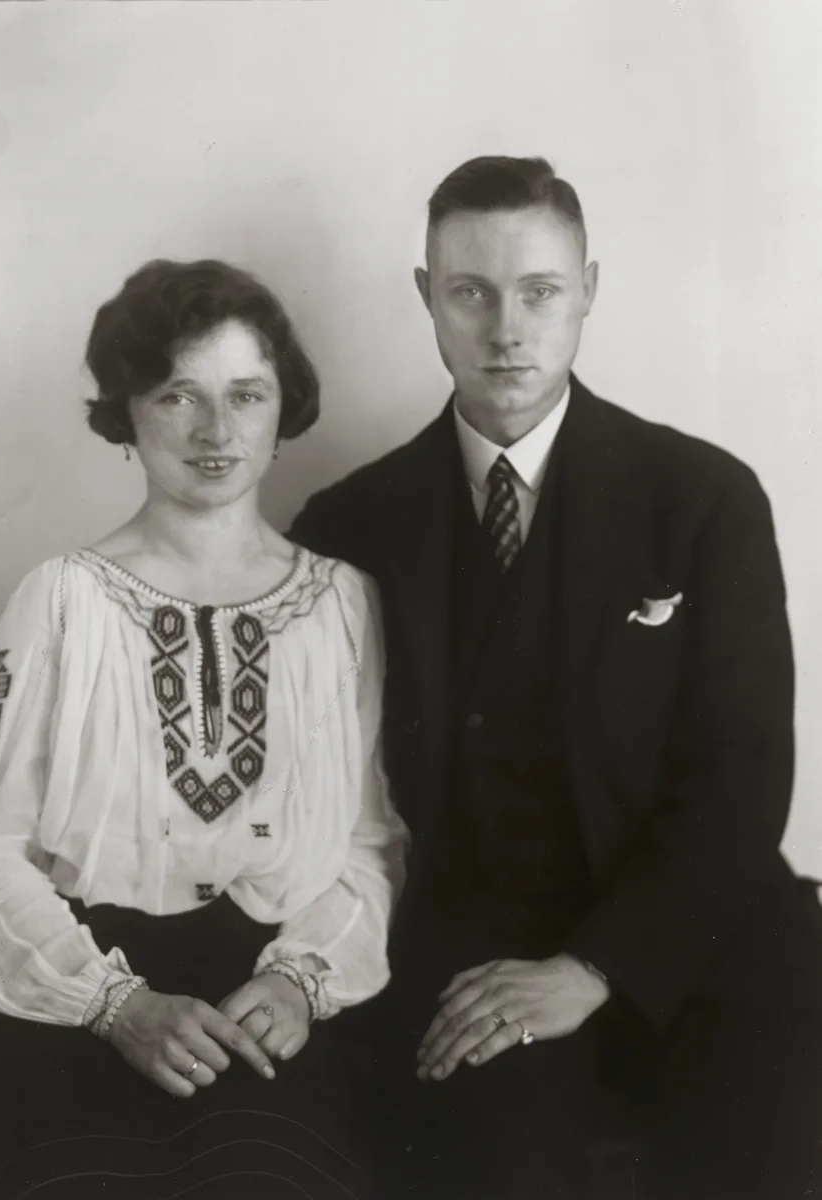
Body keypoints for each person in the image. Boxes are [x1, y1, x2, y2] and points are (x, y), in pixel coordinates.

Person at [290, 156, 822, 1199]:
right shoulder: (346, 527)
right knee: (497, 1152)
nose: (506, 329)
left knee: (783, 1103)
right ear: (425, 299)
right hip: (470, 947)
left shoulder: (703, 498)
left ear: (587, 290)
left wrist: (596, 967)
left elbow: (744, 773)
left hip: (697, 924)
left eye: (537, 291)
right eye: (470, 292)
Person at [0, 258, 408, 1200]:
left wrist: (298, 984)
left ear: (282, 411)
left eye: (246, 394)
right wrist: (116, 1006)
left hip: (267, 1002)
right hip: (84, 994)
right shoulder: (63, 600)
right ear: (128, 412)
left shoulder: (344, 606)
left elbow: (369, 842)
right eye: (179, 394)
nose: (217, 430)